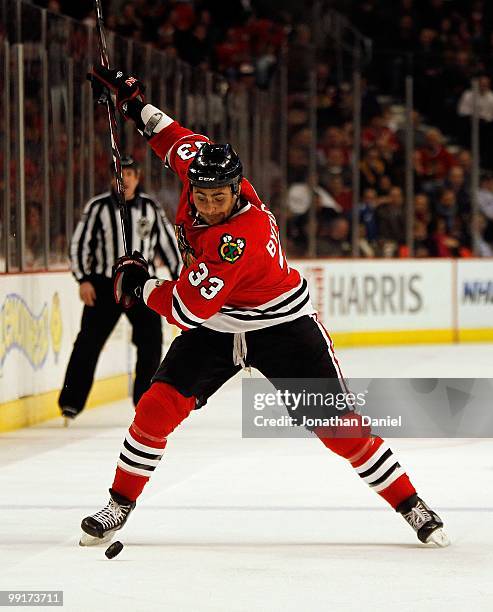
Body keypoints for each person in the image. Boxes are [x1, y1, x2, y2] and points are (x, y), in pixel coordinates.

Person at [79, 65, 449, 548]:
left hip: (281, 327)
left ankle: (409, 503)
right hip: (218, 327)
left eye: (220, 197)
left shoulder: (238, 237)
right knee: (154, 410)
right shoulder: (201, 167)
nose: (210, 206)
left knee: (342, 432)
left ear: (237, 190)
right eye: (203, 196)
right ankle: (118, 505)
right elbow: (172, 136)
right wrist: (136, 106)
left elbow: (188, 309)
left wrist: (139, 284)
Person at [59, 156, 181, 420]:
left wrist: (179, 280)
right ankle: (71, 401)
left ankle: (144, 400)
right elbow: (79, 245)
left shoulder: (151, 208)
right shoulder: (98, 207)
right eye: (119, 173)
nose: (124, 178)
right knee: (88, 343)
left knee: (150, 341)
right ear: (112, 178)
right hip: (104, 285)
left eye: (129, 173)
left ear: (137, 177)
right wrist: (83, 279)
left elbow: (169, 247)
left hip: (142, 286)